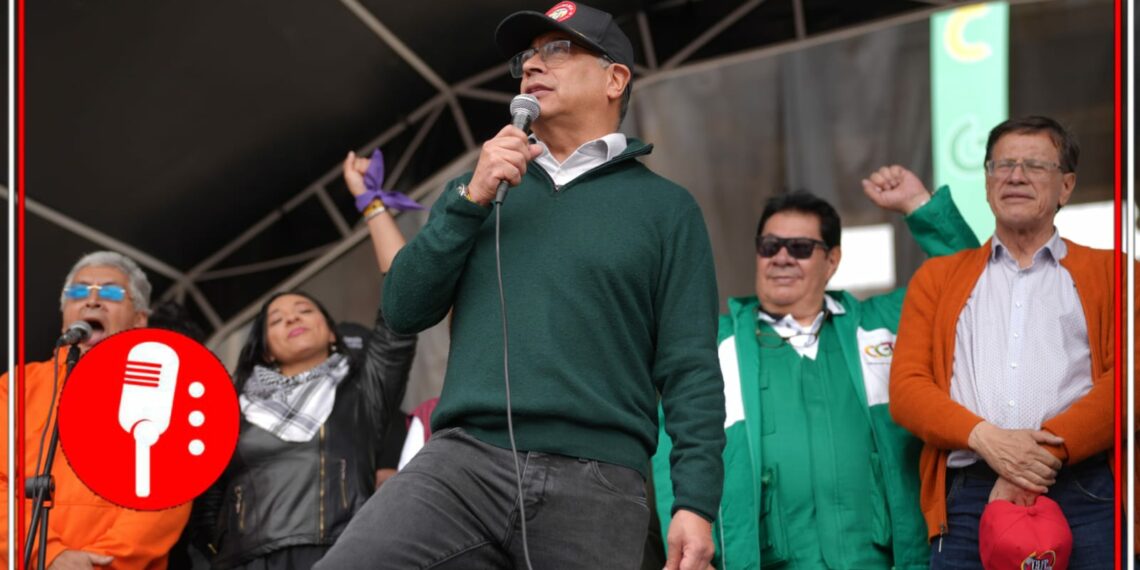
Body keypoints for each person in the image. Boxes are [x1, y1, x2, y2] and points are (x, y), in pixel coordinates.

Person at [315, 3, 725, 569]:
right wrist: (470, 200)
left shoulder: (666, 209)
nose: (533, 63)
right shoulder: (477, 186)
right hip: (463, 462)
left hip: (600, 476)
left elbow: (691, 369)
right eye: (527, 54)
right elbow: (403, 309)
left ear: (615, 78)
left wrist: (696, 503)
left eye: (557, 49)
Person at [652, 172, 979, 568]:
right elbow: (674, 452)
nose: (782, 257)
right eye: (770, 246)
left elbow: (963, 278)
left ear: (832, 260)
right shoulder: (716, 345)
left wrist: (918, 206)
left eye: (801, 247)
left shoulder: (880, 326)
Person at [889, 116, 1115, 569]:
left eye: (1035, 165)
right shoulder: (937, 278)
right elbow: (908, 389)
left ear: (1066, 187)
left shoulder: (1116, 272)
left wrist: (1035, 459)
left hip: (1083, 489)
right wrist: (987, 440)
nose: (1015, 176)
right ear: (988, 182)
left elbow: (1132, 378)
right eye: (1002, 165)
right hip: (969, 494)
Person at [202, 155, 417, 569]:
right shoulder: (228, 403)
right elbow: (205, 497)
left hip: (342, 553)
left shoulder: (362, 388)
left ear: (333, 333)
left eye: (304, 310)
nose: (293, 320)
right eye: (277, 320)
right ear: (264, 348)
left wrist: (368, 201)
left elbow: (403, 292)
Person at [0, 251, 192, 569]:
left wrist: (95, 564)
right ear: (65, 313)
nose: (92, 300)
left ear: (139, 319)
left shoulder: (166, 391)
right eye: (78, 291)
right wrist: (49, 555)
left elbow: (167, 496)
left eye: (112, 292)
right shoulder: (17, 385)